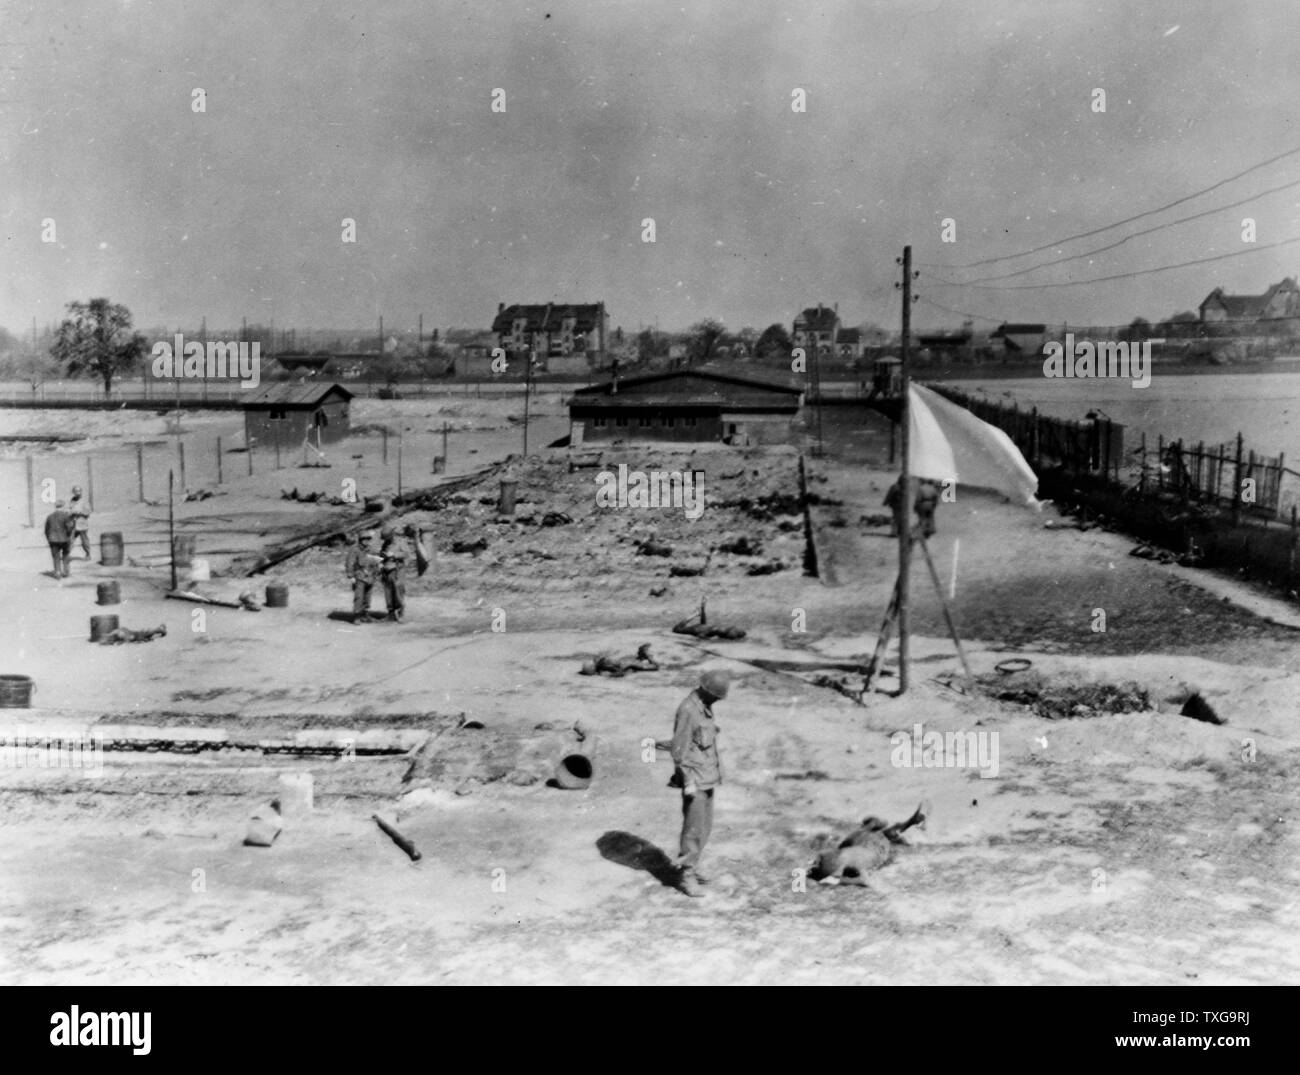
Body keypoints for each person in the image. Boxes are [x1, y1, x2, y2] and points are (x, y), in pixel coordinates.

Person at [669, 669, 731, 897]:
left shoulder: (704, 706)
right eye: (716, 696)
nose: (717, 700)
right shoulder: (688, 709)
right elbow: (679, 750)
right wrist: (688, 782)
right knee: (692, 830)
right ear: (707, 691)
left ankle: (693, 867)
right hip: (695, 779)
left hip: (707, 777)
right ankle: (685, 875)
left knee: (704, 827)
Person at [346, 532, 381, 624]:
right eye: (364, 539)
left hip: (370, 576)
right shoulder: (354, 549)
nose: (366, 541)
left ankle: (365, 615)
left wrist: (377, 572)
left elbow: (376, 561)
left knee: (368, 597)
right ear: (360, 540)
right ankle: (357, 616)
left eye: (368, 539)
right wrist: (351, 576)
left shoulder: (371, 549)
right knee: (359, 597)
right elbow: (350, 563)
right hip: (360, 575)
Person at [379, 524, 407, 622]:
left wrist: (394, 555)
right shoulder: (385, 544)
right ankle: (391, 614)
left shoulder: (400, 542)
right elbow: (381, 554)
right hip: (386, 571)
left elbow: (406, 554)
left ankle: (401, 613)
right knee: (388, 593)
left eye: (387, 538)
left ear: (392, 535)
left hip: (397, 571)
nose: (386, 540)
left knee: (398, 592)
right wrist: (381, 560)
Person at [43, 500, 75, 579]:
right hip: (64, 539)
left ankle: (57, 572)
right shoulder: (65, 516)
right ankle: (65, 571)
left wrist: (49, 538)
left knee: (56, 556)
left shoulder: (50, 516)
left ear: (56, 507)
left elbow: (46, 530)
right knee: (65, 555)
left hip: (53, 540)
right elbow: (69, 527)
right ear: (63, 506)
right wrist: (68, 535)